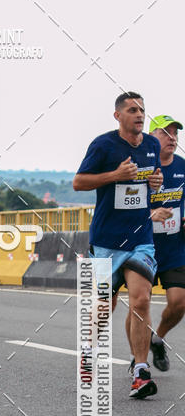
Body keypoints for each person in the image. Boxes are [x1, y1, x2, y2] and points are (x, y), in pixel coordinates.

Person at [73, 92, 163, 399]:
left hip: (140, 237)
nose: (139, 115)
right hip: (106, 240)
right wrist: (115, 175)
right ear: (118, 116)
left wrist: (155, 183)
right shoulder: (103, 145)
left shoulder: (152, 144)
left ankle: (140, 371)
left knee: (141, 301)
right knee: (103, 306)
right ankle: (88, 350)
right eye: (133, 110)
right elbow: (78, 182)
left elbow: (150, 180)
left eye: (142, 110)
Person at [147, 114, 185, 372]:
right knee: (140, 303)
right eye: (165, 133)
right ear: (151, 137)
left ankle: (156, 339)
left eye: (175, 134)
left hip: (175, 247)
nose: (172, 138)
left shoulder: (183, 165)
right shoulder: (142, 166)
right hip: (145, 246)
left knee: (179, 301)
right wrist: (150, 215)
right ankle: (138, 359)